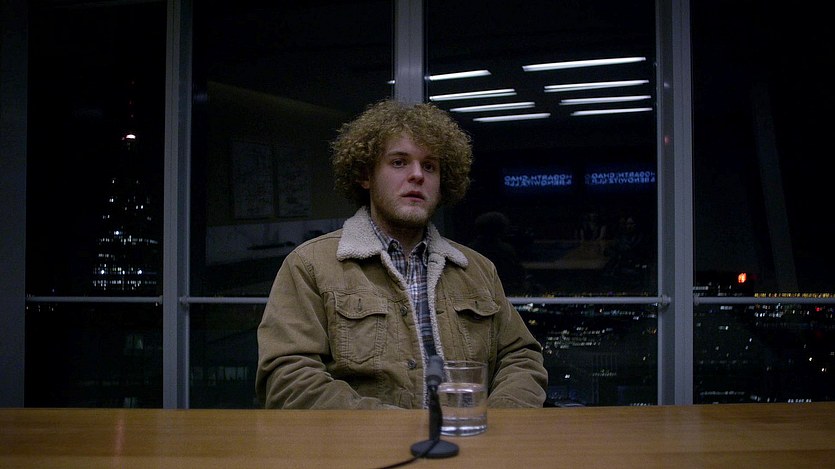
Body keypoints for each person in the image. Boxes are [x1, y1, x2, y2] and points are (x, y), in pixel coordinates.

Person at [256, 100, 547, 409]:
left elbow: (521, 357)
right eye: (399, 162)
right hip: (364, 441)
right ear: (366, 175)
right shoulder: (311, 265)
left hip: (469, 437)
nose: (417, 175)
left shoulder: (477, 270)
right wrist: (397, 428)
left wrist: (501, 419)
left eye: (430, 166)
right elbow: (289, 378)